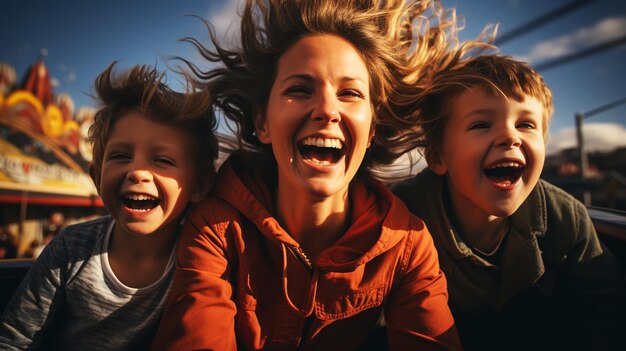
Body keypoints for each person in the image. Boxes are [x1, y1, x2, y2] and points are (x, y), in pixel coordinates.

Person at [151, 0, 489, 350]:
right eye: (299, 89)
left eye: (350, 93)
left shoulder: (408, 245)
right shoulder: (216, 227)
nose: (327, 110)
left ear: (372, 129)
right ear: (262, 122)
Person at [392, 54, 626, 350]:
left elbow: (605, 312)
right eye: (480, 125)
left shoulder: (566, 217)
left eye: (526, 125)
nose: (510, 137)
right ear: (439, 157)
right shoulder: (405, 217)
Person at [0, 62, 217, 350]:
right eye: (120, 155)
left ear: (200, 185)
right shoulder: (71, 248)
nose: (137, 171)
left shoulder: (198, 259)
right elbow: (14, 338)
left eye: (162, 160)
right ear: (96, 176)